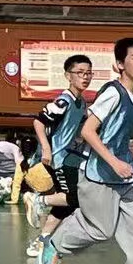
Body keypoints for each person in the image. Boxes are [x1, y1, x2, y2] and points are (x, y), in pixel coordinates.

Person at [38, 37, 133, 264]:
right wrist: (113, 162)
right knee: (100, 229)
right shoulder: (113, 93)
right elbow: (88, 130)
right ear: (120, 64)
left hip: (126, 174)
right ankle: (55, 244)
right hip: (98, 172)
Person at [24, 53, 94, 247]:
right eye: (80, 72)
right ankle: (37, 200)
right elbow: (38, 122)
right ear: (68, 76)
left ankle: (41, 240)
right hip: (58, 158)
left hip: (71, 157)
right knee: (75, 198)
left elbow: (79, 129)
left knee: (67, 203)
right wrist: (47, 149)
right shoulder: (63, 101)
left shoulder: (82, 102)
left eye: (88, 73)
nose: (85, 77)